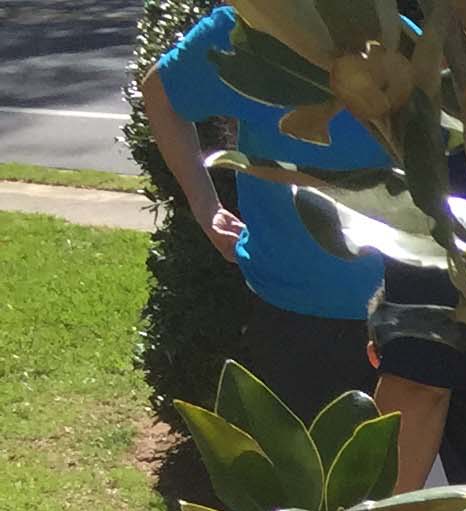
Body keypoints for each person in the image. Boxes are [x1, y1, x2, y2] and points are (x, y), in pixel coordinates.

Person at [139, 6, 385, 420]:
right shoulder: (239, 32)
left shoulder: (403, 37)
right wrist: (206, 207)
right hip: (293, 315)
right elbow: (159, 95)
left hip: (405, 314)